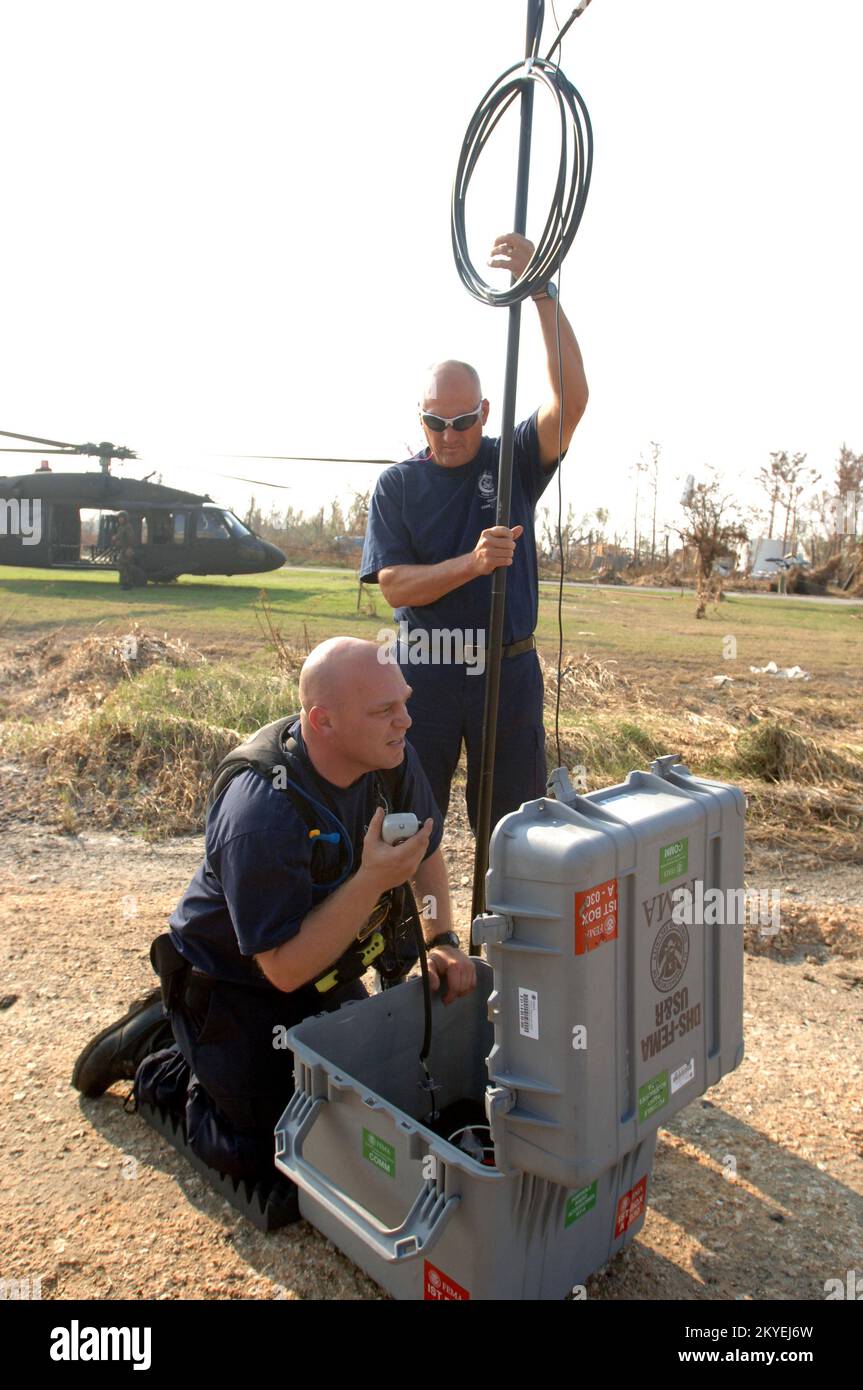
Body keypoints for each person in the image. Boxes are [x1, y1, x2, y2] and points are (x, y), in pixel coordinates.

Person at [72, 637, 476, 1191]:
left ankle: (200, 1047)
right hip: (235, 978)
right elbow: (281, 969)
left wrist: (443, 938)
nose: (406, 721)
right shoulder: (262, 809)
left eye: (403, 701)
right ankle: (162, 1050)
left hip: (320, 964)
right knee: (276, 1159)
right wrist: (373, 879)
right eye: (384, 710)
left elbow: (426, 850)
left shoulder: (389, 757)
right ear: (323, 722)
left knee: (363, 1112)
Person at [360, 232, 589, 835]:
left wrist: (541, 291)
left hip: (507, 673)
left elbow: (571, 399)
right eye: (436, 423)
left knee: (514, 827)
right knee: (411, 821)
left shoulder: (511, 458)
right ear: (422, 418)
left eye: (462, 421)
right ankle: (426, 930)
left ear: (484, 413)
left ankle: (508, 931)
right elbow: (395, 587)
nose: (449, 434)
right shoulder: (397, 486)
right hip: (426, 671)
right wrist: (473, 562)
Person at [114, 511, 138, 589]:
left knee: (124, 567)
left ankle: (127, 583)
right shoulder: (121, 527)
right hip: (122, 549)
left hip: (127, 549)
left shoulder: (127, 527)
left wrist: (129, 548)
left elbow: (131, 538)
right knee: (123, 567)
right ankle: (125, 583)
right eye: (119, 518)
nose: (120, 520)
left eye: (122, 518)